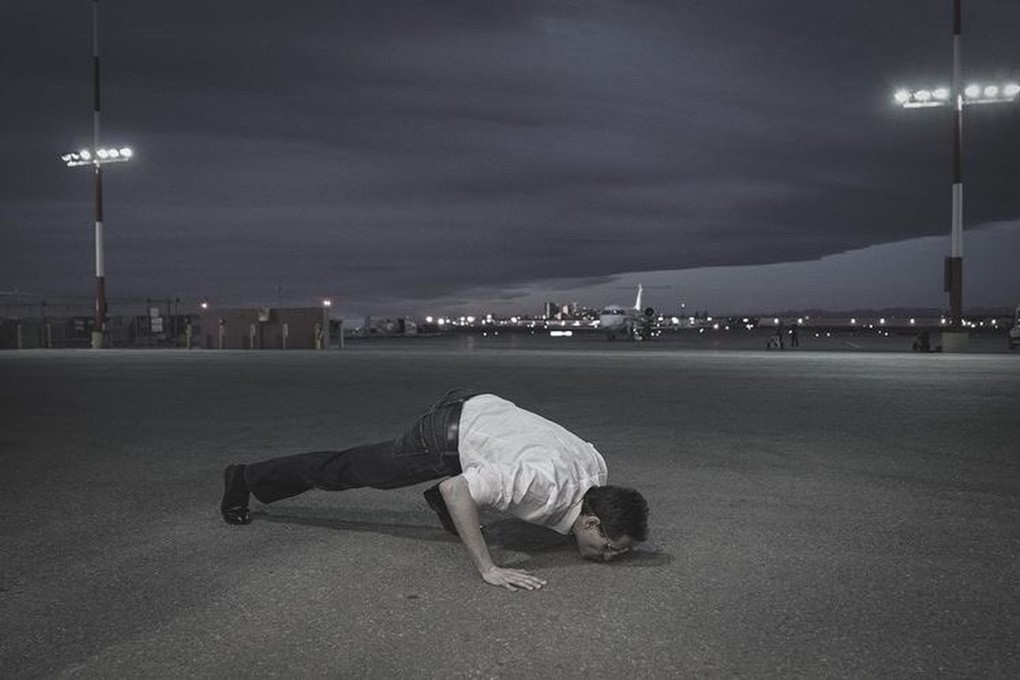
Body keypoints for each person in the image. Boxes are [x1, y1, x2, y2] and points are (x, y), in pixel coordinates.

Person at [220, 390, 649, 592]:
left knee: (464, 491)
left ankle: (440, 501)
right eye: (609, 546)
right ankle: (245, 478)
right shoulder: (542, 488)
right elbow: (459, 486)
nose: (609, 557)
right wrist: (488, 567)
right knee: (348, 470)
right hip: (445, 436)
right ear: (590, 520)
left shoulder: (597, 470)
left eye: (619, 553)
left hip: (481, 417)